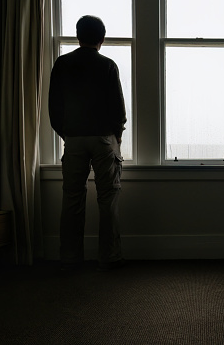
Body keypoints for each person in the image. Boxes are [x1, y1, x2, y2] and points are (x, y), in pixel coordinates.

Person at [48, 15, 127, 271]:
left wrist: (67, 135)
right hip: (103, 138)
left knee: (72, 198)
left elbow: (54, 108)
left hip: (74, 138)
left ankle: (70, 258)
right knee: (108, 199)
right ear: (101, 39)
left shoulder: (62, 64)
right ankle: (110, 257)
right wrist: (117, 137)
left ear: (77, 36)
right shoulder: (108, 65)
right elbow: (118, 109)